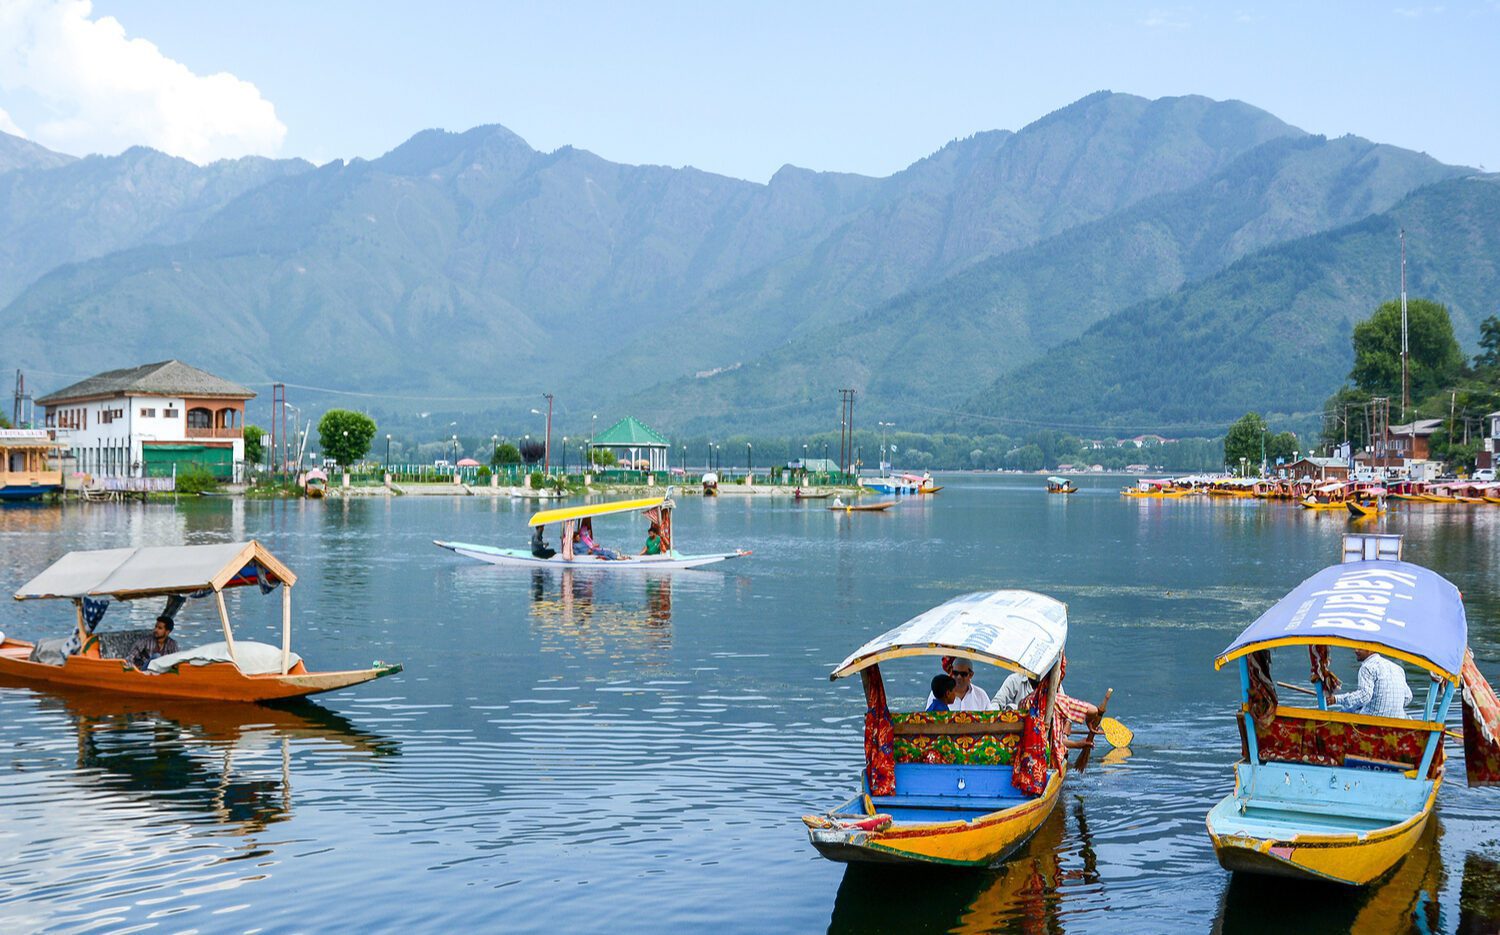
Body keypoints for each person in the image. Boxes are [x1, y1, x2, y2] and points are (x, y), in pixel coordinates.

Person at [1334, 648, 1412, 718]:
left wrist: (1336, 699)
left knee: (1345, 711)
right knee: (1353, 707)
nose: (1355, 651)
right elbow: (1408, 697)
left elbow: (1364, 696)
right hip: (1398, 719)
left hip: (1373, 720)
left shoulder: (1367, 667)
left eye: (1360, 648)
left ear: (1371, 650)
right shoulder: (1398, 668)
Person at [926, 658, 991, 711]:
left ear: (971, 675)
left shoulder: (981, 695)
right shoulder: (937, 692)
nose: (959, 677)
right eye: (955, 673)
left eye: (963, 674)